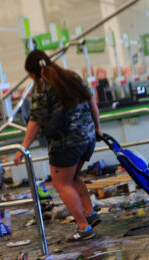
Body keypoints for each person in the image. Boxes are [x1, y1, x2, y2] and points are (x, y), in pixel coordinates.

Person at [14, 50, 102, 242]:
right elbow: (92, 102)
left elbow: (35, 121)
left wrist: (23, 148)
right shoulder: (71, 76)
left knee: (61, 184)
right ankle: (90, 213)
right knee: (72, 178)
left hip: (66, 143)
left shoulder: (42, 86)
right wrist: (97, 128)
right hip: (88, 138)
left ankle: (83, 227)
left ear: (32, 72)